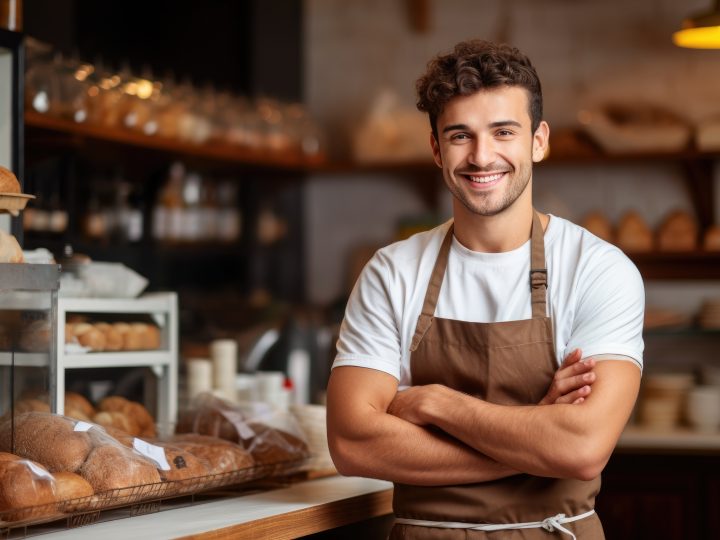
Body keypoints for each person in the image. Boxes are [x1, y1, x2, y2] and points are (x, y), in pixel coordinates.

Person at [326, 39, 644, 539]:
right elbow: (352, 444)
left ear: (538, 141)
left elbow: (581, 449)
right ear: (435, 148)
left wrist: (436, 404)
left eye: (503, 132)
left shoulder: (598, 269)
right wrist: (536, 430)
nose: (481, 156)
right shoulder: (392, 272)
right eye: (460, 135)